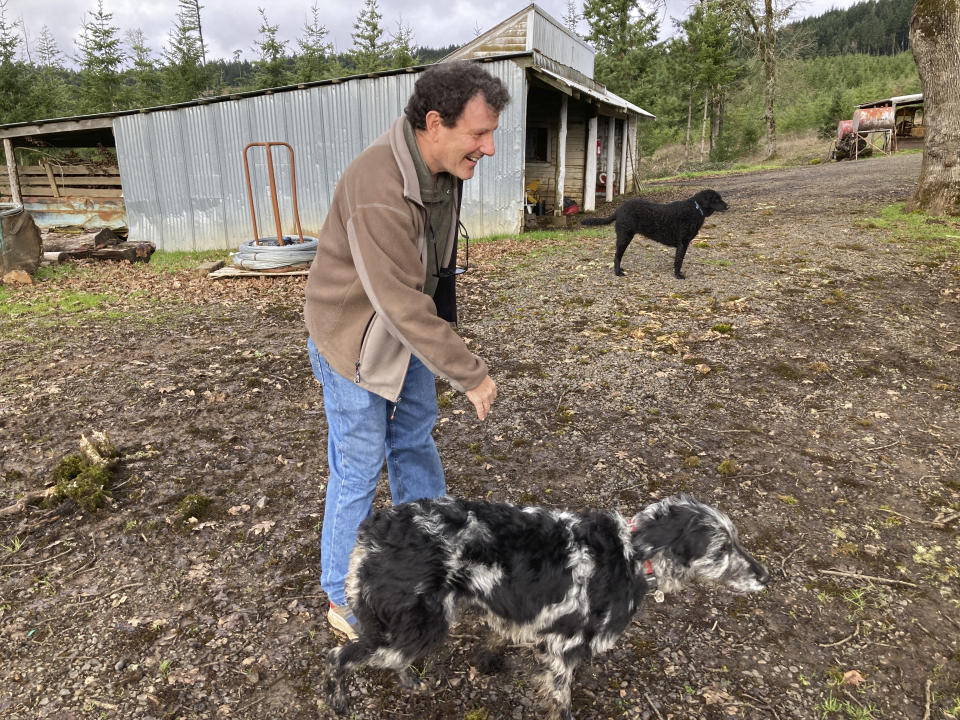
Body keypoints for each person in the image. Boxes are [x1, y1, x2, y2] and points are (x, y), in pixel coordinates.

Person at [303, 61, 510, 639]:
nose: (488, 148)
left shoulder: (444, 168)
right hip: (355, 339)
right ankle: (342, 596)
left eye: (492, 133)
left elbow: (431, 273)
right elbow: (394, 298)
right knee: (360, 467)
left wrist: (442, 331)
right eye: (479, 134)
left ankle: (430, 560)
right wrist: (469, 372)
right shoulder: (378, 186)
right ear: (435, 123)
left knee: (414, 439)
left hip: (407, 328)